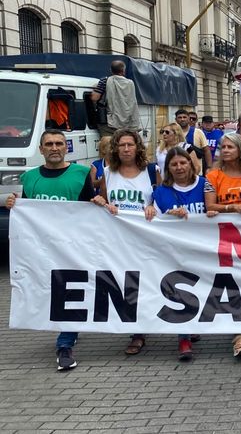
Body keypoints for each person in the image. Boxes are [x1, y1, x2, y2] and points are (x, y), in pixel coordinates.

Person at [5, 129, 95, 371]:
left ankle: (64, 344)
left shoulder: (82, 173)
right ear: (41, 149)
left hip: (73, 247)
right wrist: (15, 204)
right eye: (49, 144)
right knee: (50, 291)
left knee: (69, 290)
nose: (54, 148)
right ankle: (70, 331)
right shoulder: (30, 177)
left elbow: (92, 207)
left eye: (59, 143)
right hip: (41, 250)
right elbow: (28, 210)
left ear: (66, 147)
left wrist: (98, 201)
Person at [95, 129, 160, 355]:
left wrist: (154, 206)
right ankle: (138, 332)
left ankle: (167, 321)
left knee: (150, 281)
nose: (125, 149)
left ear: (137, 147)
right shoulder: (108, 172)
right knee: (128, 284)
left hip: (146, 237)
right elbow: (102, 199)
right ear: (115, 148)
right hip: (119, 238)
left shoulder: (151, 171)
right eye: (121, 145)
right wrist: (102, 202)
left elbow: (161, 198)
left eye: (130, 145)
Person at [204, 133, 241, 357]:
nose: (225, 150)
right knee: (232, 284)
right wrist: (233, 208)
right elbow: (210, 206)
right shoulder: (212, 176)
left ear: (240, 150)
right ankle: (238, 335)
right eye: (222, 147)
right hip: (227, 239)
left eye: (230, 147)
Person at [151, 147, 214, 361]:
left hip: (205, 249)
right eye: (174, 164)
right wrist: (167, 215)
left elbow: (215, 209)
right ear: (167, 168)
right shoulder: (161, 192)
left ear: (191, 163)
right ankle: (183, 338)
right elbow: (154, 223)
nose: (179, 167)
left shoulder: (205, 184)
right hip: (176, 252)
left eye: (183, 163)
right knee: (180, 292)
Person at [91, 60, 140, 136]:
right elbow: (133, 103)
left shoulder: (104, 81)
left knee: (108, 146)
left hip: (109, 124)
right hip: (127, 125)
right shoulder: (130, 83)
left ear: (111, 70)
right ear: (123, 71)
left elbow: (94, 98)